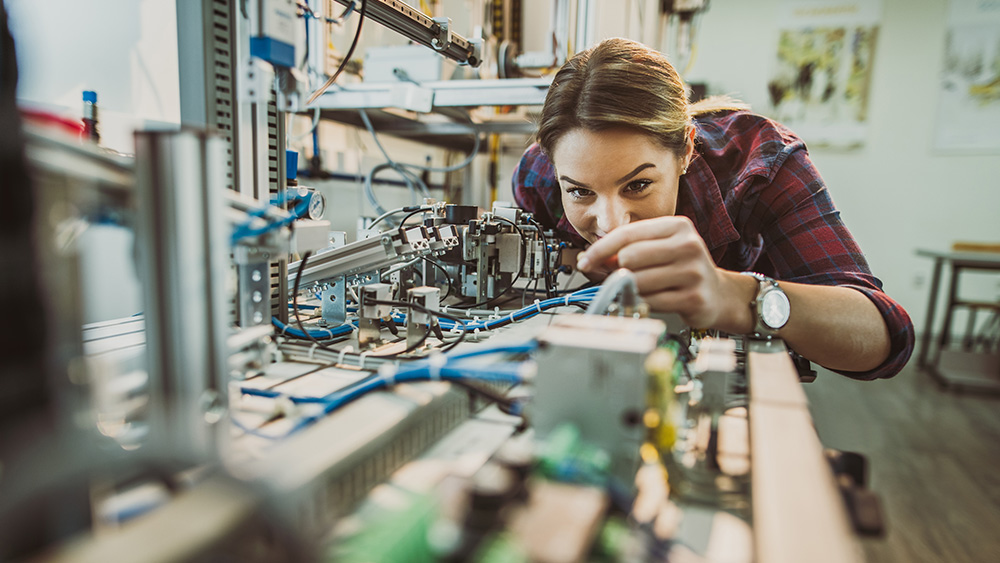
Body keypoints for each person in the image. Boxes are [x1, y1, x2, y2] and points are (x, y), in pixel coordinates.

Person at [513, 38, 913, 380]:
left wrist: (730, 296)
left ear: (686, 148)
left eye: (638, 185)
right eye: (582, 193)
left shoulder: (762, 164)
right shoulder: (538, 176)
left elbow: (884, 336)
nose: (613, 223)